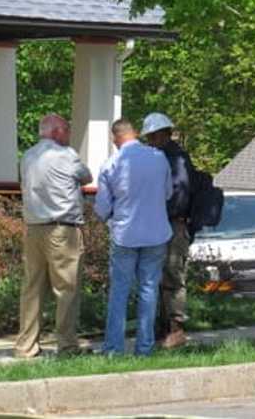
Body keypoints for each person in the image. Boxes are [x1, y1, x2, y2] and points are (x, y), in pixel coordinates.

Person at [94, 118, 173, 356]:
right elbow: (168, 193)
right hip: (156, 233)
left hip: (125, 235)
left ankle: (113, 349)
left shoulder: (112, 164)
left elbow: (102, 208)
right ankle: (144, 347)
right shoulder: (159, 158)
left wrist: (110, 216)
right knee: (149, 291)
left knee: (120, 291)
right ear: (135, 134)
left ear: (115, 139)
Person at [16, 114, 93, 358]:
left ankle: (26, 346)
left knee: (32, 289)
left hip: (33, 229)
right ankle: (67, 346)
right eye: (68, 130)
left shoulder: (27, 156)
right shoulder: (66, 155)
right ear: (58, 131)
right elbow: (87, 176)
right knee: (66, 289)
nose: (69, 134)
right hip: (62, 229)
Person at [140, 112, 195, 349]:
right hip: (161, 223)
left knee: (172, 276)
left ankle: (176, 329)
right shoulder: (161, 157)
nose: (150, 141)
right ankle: (162, 329)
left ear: (164, 134)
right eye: (148, 137)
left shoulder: (178, 160)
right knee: (159, 278)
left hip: (173, 224)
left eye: (153, 136)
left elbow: (180, 196)